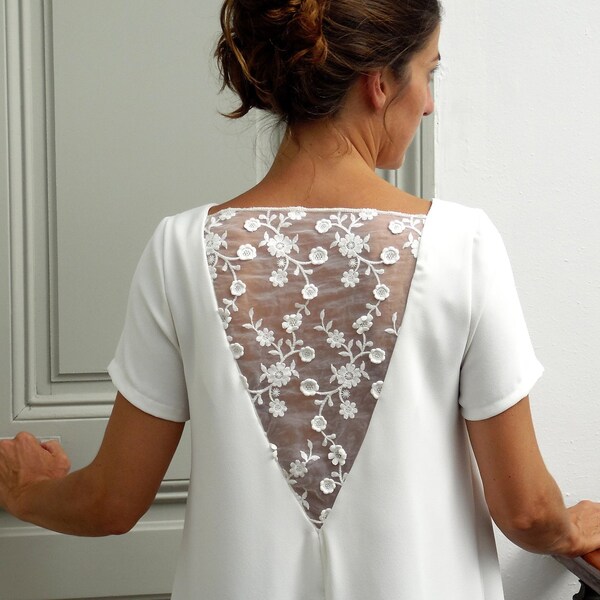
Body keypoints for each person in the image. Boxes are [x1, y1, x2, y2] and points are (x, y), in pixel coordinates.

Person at [1, 0, 600, 598]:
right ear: (379, 82)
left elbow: (110, 502)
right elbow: (526, 512)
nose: (429, 102)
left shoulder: (179, 249)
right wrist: (570, 528)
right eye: (429, 72)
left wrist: (24, 489)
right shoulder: (463, 246)